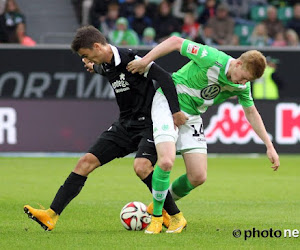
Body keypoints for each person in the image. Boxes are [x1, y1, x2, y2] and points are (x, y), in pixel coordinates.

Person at [23, 26, 188, 233]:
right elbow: (103, 69)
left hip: (149, 124)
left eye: (86, 55)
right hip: (124, 125)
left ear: (97, 46)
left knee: (142, 167)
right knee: (86, 162)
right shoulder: (105, 64)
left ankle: (175, 216)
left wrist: (175, 111)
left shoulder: (131, 59)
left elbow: (165, 78)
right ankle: (51, 215)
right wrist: (95, 67)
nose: (86, 60)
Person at [127, 36, 280, 234]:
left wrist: (269, 145)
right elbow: (174, 41)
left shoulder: (242, 85)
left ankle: (158, 206)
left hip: (192, 115)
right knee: (166, 161)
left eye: (248, 81)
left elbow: (251, 112)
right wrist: (145, 60)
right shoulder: (212, 58)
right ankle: (157, 218)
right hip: (169, 101)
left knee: (198, 176)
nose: (243, 82)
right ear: (238, 63)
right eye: (244, 76)